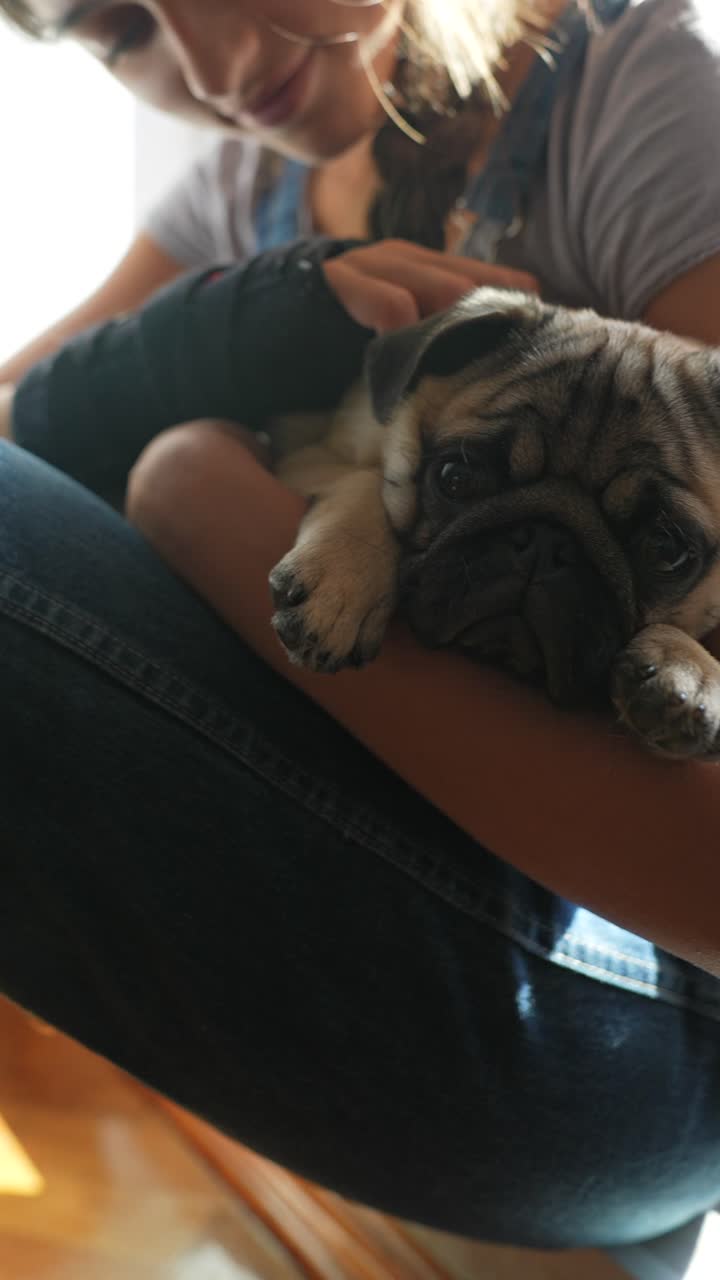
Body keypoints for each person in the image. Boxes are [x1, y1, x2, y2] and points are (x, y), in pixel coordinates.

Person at [1, 0, 720, 1253]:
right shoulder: (242, 173)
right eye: (122, 27)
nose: (216, 69)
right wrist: (197, 337)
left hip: (639, 1018)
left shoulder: (636, 107)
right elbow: (16, 418)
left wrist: (199, 493)